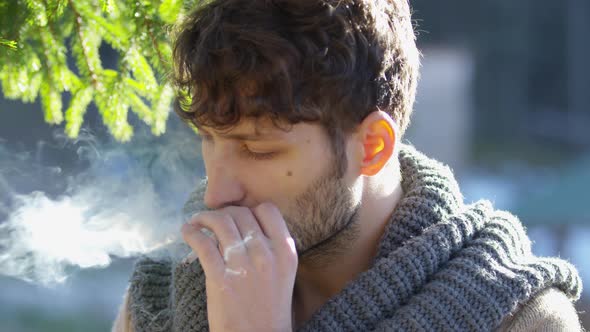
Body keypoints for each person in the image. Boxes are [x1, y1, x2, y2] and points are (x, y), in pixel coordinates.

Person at [112, 0, 584, 331]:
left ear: (373, 147)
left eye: (258, 150)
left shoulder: (518, 319)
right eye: (209, 142)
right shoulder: (162, 301)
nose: (216, 195)